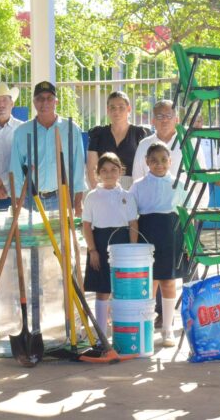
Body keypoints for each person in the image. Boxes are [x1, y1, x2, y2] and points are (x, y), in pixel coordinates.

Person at [129, 142, 183, 347]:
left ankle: (167, 328)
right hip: (147, 234)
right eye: (153, 160)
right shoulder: (138, 185)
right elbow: (132, 216)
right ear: (146, 162)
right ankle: (147, 327)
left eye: (163, 160)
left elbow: (185, 214)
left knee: (168, 282)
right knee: (148, 283)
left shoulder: (178, 183)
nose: (159, 164)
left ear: (170, 161)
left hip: (171, 234)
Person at [81, 153, 139, 337]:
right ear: (97, 173)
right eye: (104, 170)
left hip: (121, 243)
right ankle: (101, 332)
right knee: (102, 289)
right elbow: (87, 226)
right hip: (100, 242)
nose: (109, 174)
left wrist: (132, 250)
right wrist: (93, 251)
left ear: (120, 172)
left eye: (113, 169)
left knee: (121, 288)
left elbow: (133, 224)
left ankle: (120, 328)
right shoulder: (91, 197)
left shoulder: (127, 196)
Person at [9, 81, 87, 214]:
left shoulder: (71, 129)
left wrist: (78, 202)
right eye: (39, 99)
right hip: (30, 200)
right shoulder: (22, 132)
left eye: (49, 98)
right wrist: (17, 203)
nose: (44, 103)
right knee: (30, 235)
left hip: (61, 198)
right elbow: (15, 170)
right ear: (34, 102)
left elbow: (78, 168)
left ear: (56, 102)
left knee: (60, 236)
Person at [88, 91, 150, 190]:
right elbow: (92, 169)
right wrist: (100, 193)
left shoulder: (140, 134)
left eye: (121, 107)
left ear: (129, 109)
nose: (117, 111)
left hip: (133, 188)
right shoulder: (98, 134)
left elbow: (146, 167)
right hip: (104, 187)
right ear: (108, 110)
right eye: (112, 107)